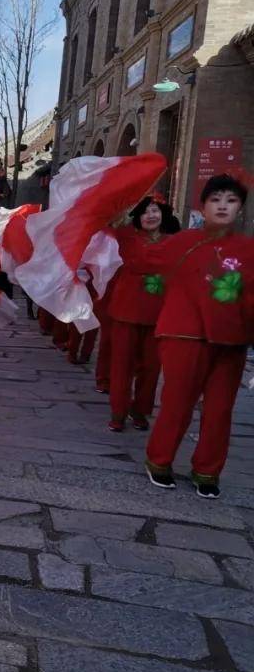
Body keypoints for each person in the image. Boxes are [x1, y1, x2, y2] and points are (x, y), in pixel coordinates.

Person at [138, 174, 252, 498]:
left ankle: (208, 470)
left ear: (240, 208)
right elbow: (142, 262)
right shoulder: (183, 241)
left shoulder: (249, 249)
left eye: (230, 201)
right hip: (184, 335)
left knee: (219, 409)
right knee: (178, 401)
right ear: (203, 205)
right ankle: (159, 460)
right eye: (216, 200)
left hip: (231, 340)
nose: (222, 206)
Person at [106, 195, 181, 432]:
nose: (151, 215)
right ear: (137, 216)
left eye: (155, 210)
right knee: (121, 365)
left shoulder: (174, 241)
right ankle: (118, 411)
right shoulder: (126, 235)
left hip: (158, 314)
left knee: (150, 367)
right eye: (145, 211)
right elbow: (110, 225)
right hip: (125, 310)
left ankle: (140, 410)